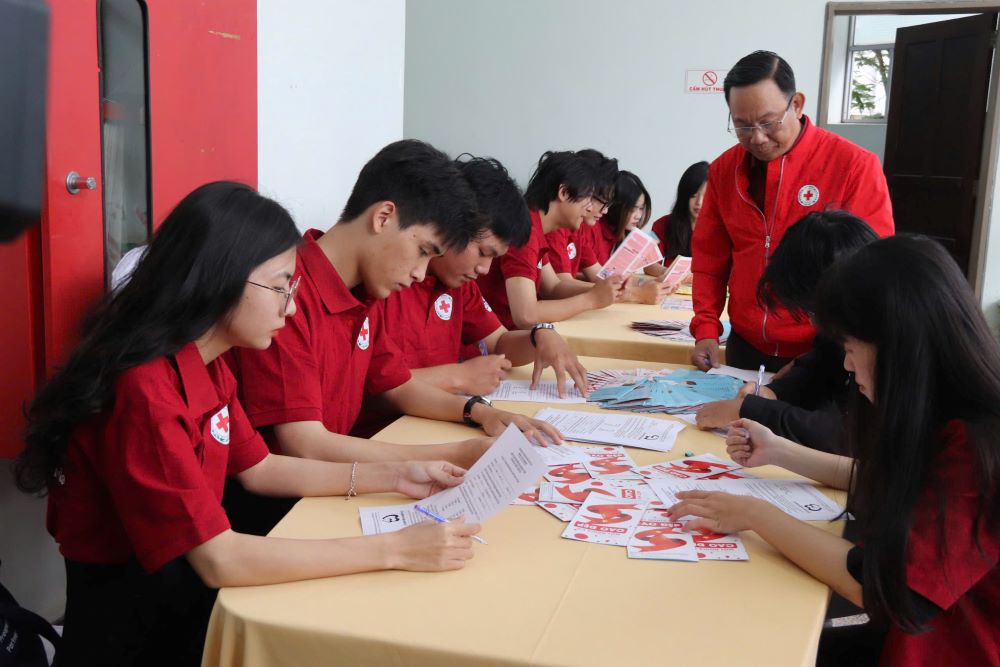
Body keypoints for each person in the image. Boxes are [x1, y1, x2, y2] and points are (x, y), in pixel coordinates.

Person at [14, 182, 481, 666]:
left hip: (177, 588)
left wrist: (399, 477)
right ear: (219, 278)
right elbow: (221, 559)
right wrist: (395, 549)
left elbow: (260, 467)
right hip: (133, 622)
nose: (291, 307)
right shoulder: (144, 387)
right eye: (280, 287)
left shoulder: (208, 361)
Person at [669, 235, 999, 667]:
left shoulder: (980, 445)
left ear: (895, 345)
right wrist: (782, 452)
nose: (845, 365)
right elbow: (901, 483)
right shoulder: (949, 413)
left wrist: (754, 514)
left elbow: (890, 587)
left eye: (849, 348)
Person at [228, 140, 561, 472]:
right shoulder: (288, 294)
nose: (420, 273)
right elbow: (304, 444)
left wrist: (480, 412)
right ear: (384, 217)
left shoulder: (364, 291)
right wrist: (455, 453)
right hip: (287, 504)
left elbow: (397, 383)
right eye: (423, 251)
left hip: (342, 475)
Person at [353, 155, 589, 437]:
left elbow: (499, 340)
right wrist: (460, 377)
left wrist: (539, 335)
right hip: (385, 434)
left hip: (434, 422)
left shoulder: (458, 284)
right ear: (452, 226)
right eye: (482, 252)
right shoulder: (386, 279)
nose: (484, 269)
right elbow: (377, 386)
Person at [689, 50, 894, 373]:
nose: (757, 137)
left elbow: (873, 271)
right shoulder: (723, 171)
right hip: (746, 345)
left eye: (768, 123)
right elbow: (709, 260)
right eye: (742, 126)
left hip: (825, 353)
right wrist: (705, 328)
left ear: (796, 104)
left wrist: (829, 354)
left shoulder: (853, 166)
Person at [694, 211, 879, 453]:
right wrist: (774, 392)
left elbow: (850, 434)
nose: (847, 363)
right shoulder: (851, 317)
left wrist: (751, 410)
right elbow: (822, 365)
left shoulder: (890, 343)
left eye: (812, 312)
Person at [476, 149, 627, 331]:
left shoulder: (537, 227)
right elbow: (526, 315)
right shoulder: (527, 229)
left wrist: (603, 290)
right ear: (563, 192)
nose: (589, 208)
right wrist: (591, 299)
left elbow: (552, 288)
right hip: (501, 345)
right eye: (587, 199)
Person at [649, 160, 709, 264]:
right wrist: (673, 274)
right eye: (693, 195)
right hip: (671, 280)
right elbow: (649, 265)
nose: (699, 202)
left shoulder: (722, 229)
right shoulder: (662, 224)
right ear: (684, 195)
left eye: (706, 196)